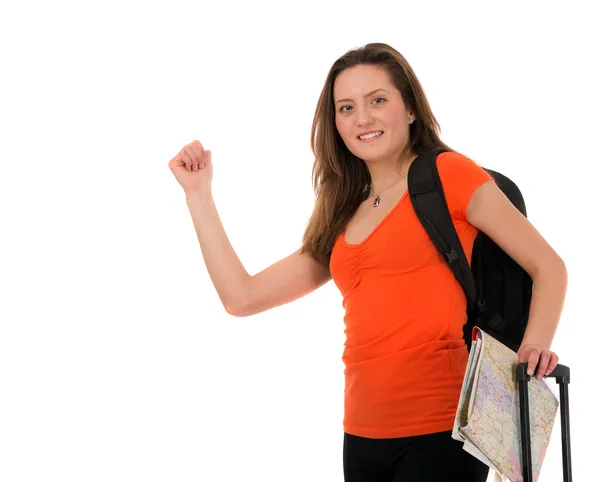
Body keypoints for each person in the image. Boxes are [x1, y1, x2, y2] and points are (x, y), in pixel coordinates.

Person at [168, 43, 567, 482]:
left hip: (442, 430)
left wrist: (533, 350)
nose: (363, 118)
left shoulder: (449, 175)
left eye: (378, 100)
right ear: (335, 123)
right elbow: (241, 297)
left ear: (410, 108)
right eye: (346, 107)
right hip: (360, 436)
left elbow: (548, 265)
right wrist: (198, 194)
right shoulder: (343, 216)